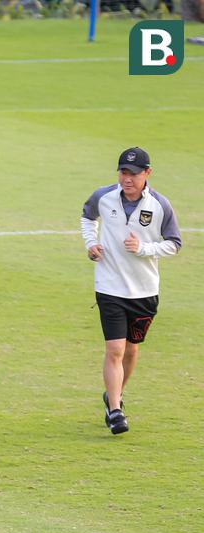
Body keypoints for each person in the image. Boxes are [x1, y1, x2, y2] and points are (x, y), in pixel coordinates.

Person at [81, 147, 182, 435]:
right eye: (123, 172)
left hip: (144, 290)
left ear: (147, 174)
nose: (127, 179)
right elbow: (87, 217)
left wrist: (144, 249)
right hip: (109, 286)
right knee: (115, 348)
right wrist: (90, 244)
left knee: (131, 350)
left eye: (134, 174)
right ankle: (115, 410)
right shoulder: (103, 196)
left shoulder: (160, 205)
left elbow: (174, 243)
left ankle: (113, 393)